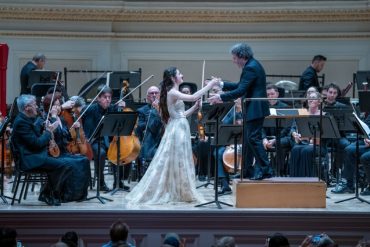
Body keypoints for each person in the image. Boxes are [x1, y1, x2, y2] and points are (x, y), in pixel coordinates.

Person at [125, 67, 217, 204]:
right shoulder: (173, 92)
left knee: (180, 161)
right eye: (180, 73)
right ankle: (174, 190)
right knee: (177, 161)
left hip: (179, 127)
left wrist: (194, 108)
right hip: (177, 130)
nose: (182, 75)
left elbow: (181, 115)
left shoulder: (174, 92)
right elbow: (192, 97)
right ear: (173, 78)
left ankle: (180, 191)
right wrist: (210, 85)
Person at [208, 43, 272, 180]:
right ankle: (247, 171)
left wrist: (220, 97)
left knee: (253, 139)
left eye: (235, 58)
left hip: (255, 108)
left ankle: (266, 170)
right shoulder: (252, 65)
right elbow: (240, 85)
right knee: (248, 141)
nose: (234, 61)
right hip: (253, 108)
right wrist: (221, 84)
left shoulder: (250, 68)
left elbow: (240, 90)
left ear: (242, 56)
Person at [10, 94, 73, 206]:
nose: (37, 107)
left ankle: (48, 193)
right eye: (34, 105)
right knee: (63, 165)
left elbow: (35, 133)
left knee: (65, 164)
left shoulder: (27, 119)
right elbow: (37, 143)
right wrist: (49, 132)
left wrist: (43, 125)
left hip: (34, 154)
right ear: (27, 108)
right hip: (29, 159)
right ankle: (47, 193)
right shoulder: (21, 123)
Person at [36, 93, 90, 202]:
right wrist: (53, 117)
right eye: (55, 105)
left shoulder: (62, 120)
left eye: (59, 105)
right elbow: (51, 137)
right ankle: (65, 195)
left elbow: (66, 138)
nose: (58, 108)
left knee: (84, 160)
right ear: (48, 107)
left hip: (64, 152)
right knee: (72, 163)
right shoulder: (44, 119)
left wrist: (73, 129)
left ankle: (79, 194)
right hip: (53, 154)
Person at [82, 85, 125, 192]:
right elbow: (89, 132)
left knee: (119, 151)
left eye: (109, 97)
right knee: (101, 153)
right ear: (98, 98)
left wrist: (122, 107)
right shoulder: (91, 110)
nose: (108, 100)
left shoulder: (112, 108)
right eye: (105, 97)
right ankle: (101, 182)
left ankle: (118, 182)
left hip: (108, 141)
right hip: (95, 141)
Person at [289, 91, 327, 177]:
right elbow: (293, 128)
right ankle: (295, 179)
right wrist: (294, 134)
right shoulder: (302, 113)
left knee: (306, 151)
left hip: (319, 145)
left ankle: (307, 179)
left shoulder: (324, 115)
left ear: (319, 101)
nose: (310, 100)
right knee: (295, 149)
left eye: (313, 98)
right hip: (304, 142)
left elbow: (326, 133)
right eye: (309, 98)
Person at [135, 86, 163, 176]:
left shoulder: (164, 108)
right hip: (149, 139)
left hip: (162, 138)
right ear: (147, 97)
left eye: (156, 93)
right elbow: (140, 127)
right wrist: (151, 116)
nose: (154, 95)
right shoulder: (142, 110)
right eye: (151, 93)